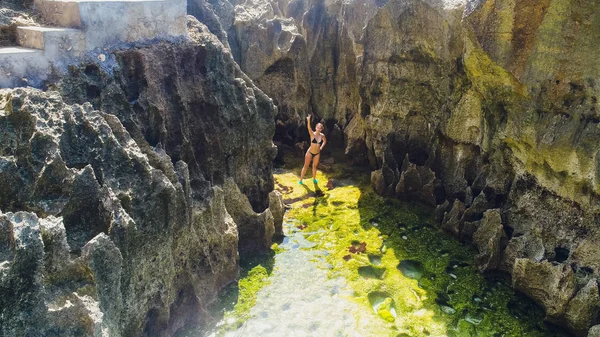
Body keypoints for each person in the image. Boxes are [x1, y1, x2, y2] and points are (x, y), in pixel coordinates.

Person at [299, 114, 326, 184]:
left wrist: (321, 147)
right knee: (306, 166)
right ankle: (301, 180)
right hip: (310, 152)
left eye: (320, 128)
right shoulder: (312, 134)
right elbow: (309, 128)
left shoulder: (322, 135)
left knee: (314, 166)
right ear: (316, 127)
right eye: (317, 127)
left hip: (317, 153)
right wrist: (308, 120)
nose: (318, 129)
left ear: (321, 129)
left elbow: (325, 141)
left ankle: (314, 179)